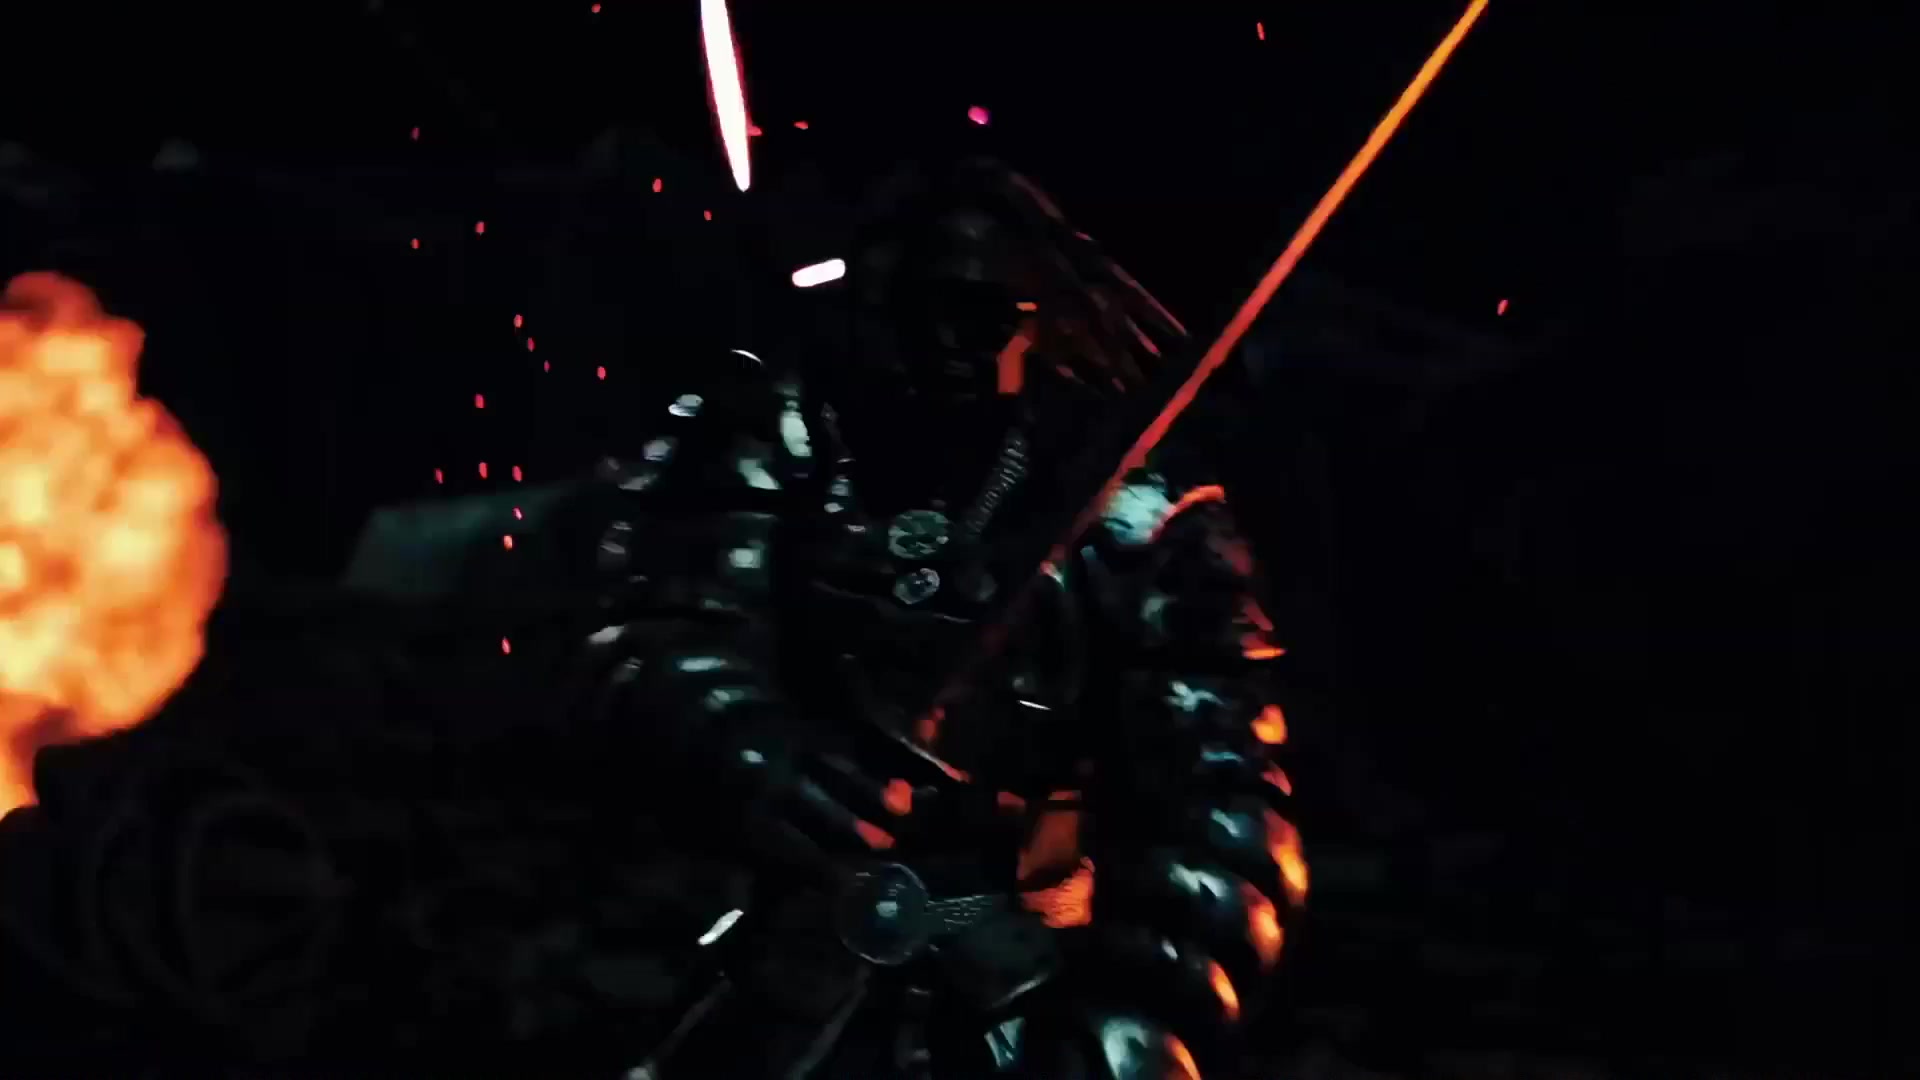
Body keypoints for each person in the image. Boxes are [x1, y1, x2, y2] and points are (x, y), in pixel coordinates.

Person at [567, 158, 1307, 1078]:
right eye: (922, 310)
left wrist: (1137, 1031)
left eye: (983, 315)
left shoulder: (1138, 518)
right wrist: (745, 748)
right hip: (772, 941)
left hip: (1023, 979)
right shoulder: (778, 435)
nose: (948, 345)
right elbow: (661, 630)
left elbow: (1224, 805)